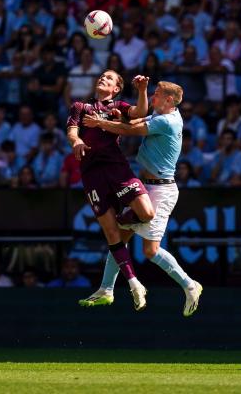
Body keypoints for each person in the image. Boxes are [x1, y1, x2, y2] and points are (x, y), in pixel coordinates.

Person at [81, 80, 202, 316]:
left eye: (156, 95)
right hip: (148, 186)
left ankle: (190, 285)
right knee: (119, 236)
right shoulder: (163, 114)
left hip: (161, 190)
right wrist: (119, 117)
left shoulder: (167, 121)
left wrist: (100, 123)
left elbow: (130, 131)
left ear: (169, 100)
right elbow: (133, 122)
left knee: (150, 250)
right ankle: (106, 289)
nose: (153, 98)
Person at [66, 70, 155, 311]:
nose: (103, 79)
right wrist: (77, 142)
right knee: (110, 233)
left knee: (146, 213)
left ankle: (125, 222)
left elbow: (139, 113)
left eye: (109, 78)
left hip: (117, 168)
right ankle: (134, 283)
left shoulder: (118, 105)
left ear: (115, 89)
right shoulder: (80, 107)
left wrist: (143, 91)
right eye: (102, 76)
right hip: (92, 174)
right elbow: (72, 131)